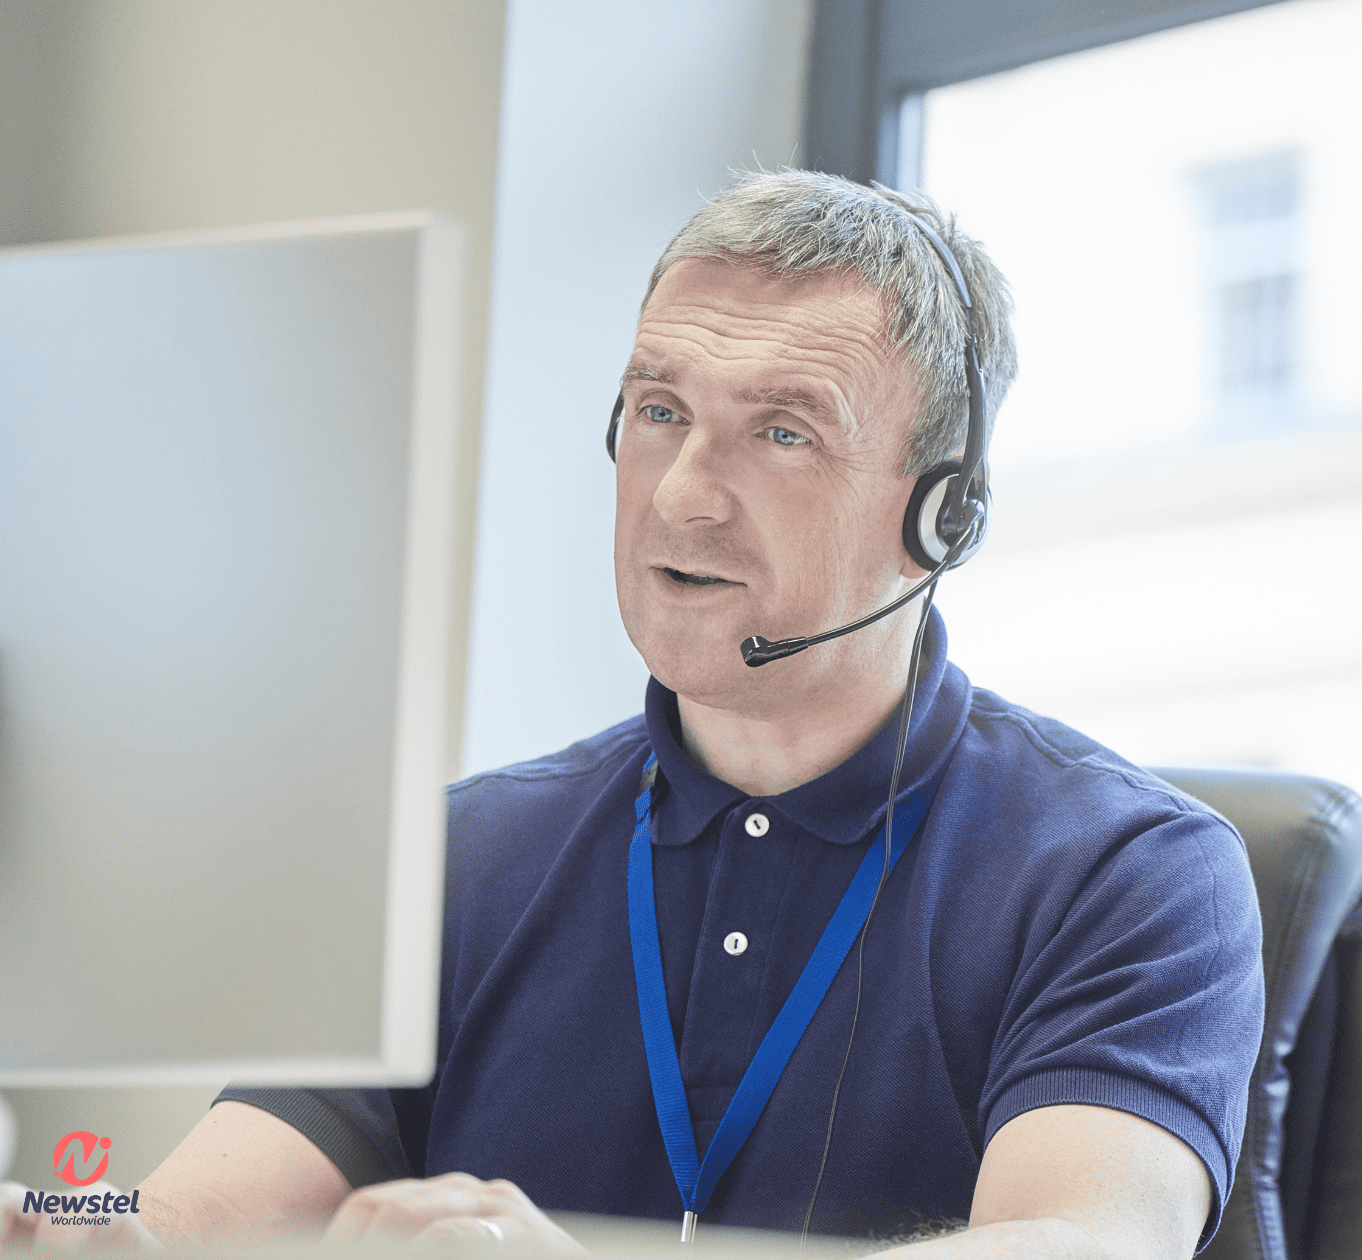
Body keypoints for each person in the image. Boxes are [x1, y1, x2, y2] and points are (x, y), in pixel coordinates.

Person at [1, 171, 1263, 1257]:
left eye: (779, 432)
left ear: (942, 519)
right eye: (659, 414)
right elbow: (178, 1216)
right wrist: (59, 1211)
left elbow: (1082, 1243)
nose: (684, 497)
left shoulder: (1131, 874)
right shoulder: (451, 862)